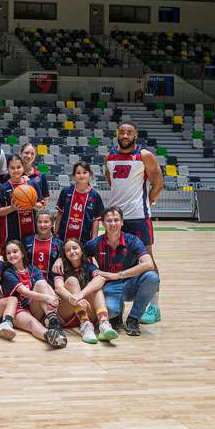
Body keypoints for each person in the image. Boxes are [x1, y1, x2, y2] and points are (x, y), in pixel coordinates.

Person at [104, 122, 164, 323]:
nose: (125, 135)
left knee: (147, 260)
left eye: (129, 132)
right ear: (117, 134)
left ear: (136, 134)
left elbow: (159, 183)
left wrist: (149, 201)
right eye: (122, 132)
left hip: (138, 217)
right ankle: (117, 303)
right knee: (116, 259)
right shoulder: (109, 157)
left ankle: (154, 307)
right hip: (115, 219)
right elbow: (112, 184)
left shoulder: (145, 155)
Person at [84, 206, 160, 336]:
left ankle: (133, 319)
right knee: (110, 311)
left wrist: (118, 275)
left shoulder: (133, 240)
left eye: (116, 220)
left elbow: (149, 264)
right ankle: (117, 314)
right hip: (110, 286)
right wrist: (94, 270)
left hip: (131, 283)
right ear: (103, 223)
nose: (113, 224)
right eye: (109, 221)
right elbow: (82, 258)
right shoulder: (95, 243)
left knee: (152, 277)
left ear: (122, 222)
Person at [1, 240, 67, 348]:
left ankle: (53, 321)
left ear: (22, 253)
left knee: (41, 283)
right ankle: (50, 336)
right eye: (8, 253)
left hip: (34, 307)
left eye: (15, 251)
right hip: (18, 309)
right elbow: (25, 292)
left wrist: (53, 297)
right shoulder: (8, 273)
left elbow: (44, 285)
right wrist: (49, 297)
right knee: (33, 324)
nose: (12, 255)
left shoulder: (32, 268)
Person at [52, 239, 118, 344]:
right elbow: (58, 288)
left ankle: (104, 323)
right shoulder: (60, 267)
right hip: (67, 312)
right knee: (72, 281)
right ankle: (85, 325)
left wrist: (80, 295)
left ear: (82, 251)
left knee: (95, 287)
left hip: (86, 308)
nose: (72, 251)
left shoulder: (89, 265)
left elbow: (100, 279)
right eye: (68, 250)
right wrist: (73, 299)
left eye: (75, 248)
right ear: (64, 254)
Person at [0, 154, 43, 245]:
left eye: (18, 167)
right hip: (11, 234)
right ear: (7, 169)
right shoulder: (3, 188)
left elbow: (41, 206)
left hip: (30, 232)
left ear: (23, 167)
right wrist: (12, 208)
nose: (16, 170)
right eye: (12, 168)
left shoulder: (32, 184)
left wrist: (33, 205)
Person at [54, 161, 104, 245]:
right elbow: (59, 213)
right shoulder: (66, 191)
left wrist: (93, 240)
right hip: (63, 238)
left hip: (84, 240)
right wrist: (55, 232)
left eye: (85, 172)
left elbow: (96, 220)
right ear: (73, 176)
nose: (81, 175)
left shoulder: (95, 196)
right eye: (78, 173)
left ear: (90, 175)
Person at [23, 211, 63, 286]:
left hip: (52, 285)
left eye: (46, 222)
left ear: (52, 224)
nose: (42, 225)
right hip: (29, 285)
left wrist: (61, 259)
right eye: (39, 222)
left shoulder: (59, 243)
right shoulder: (27, 240)